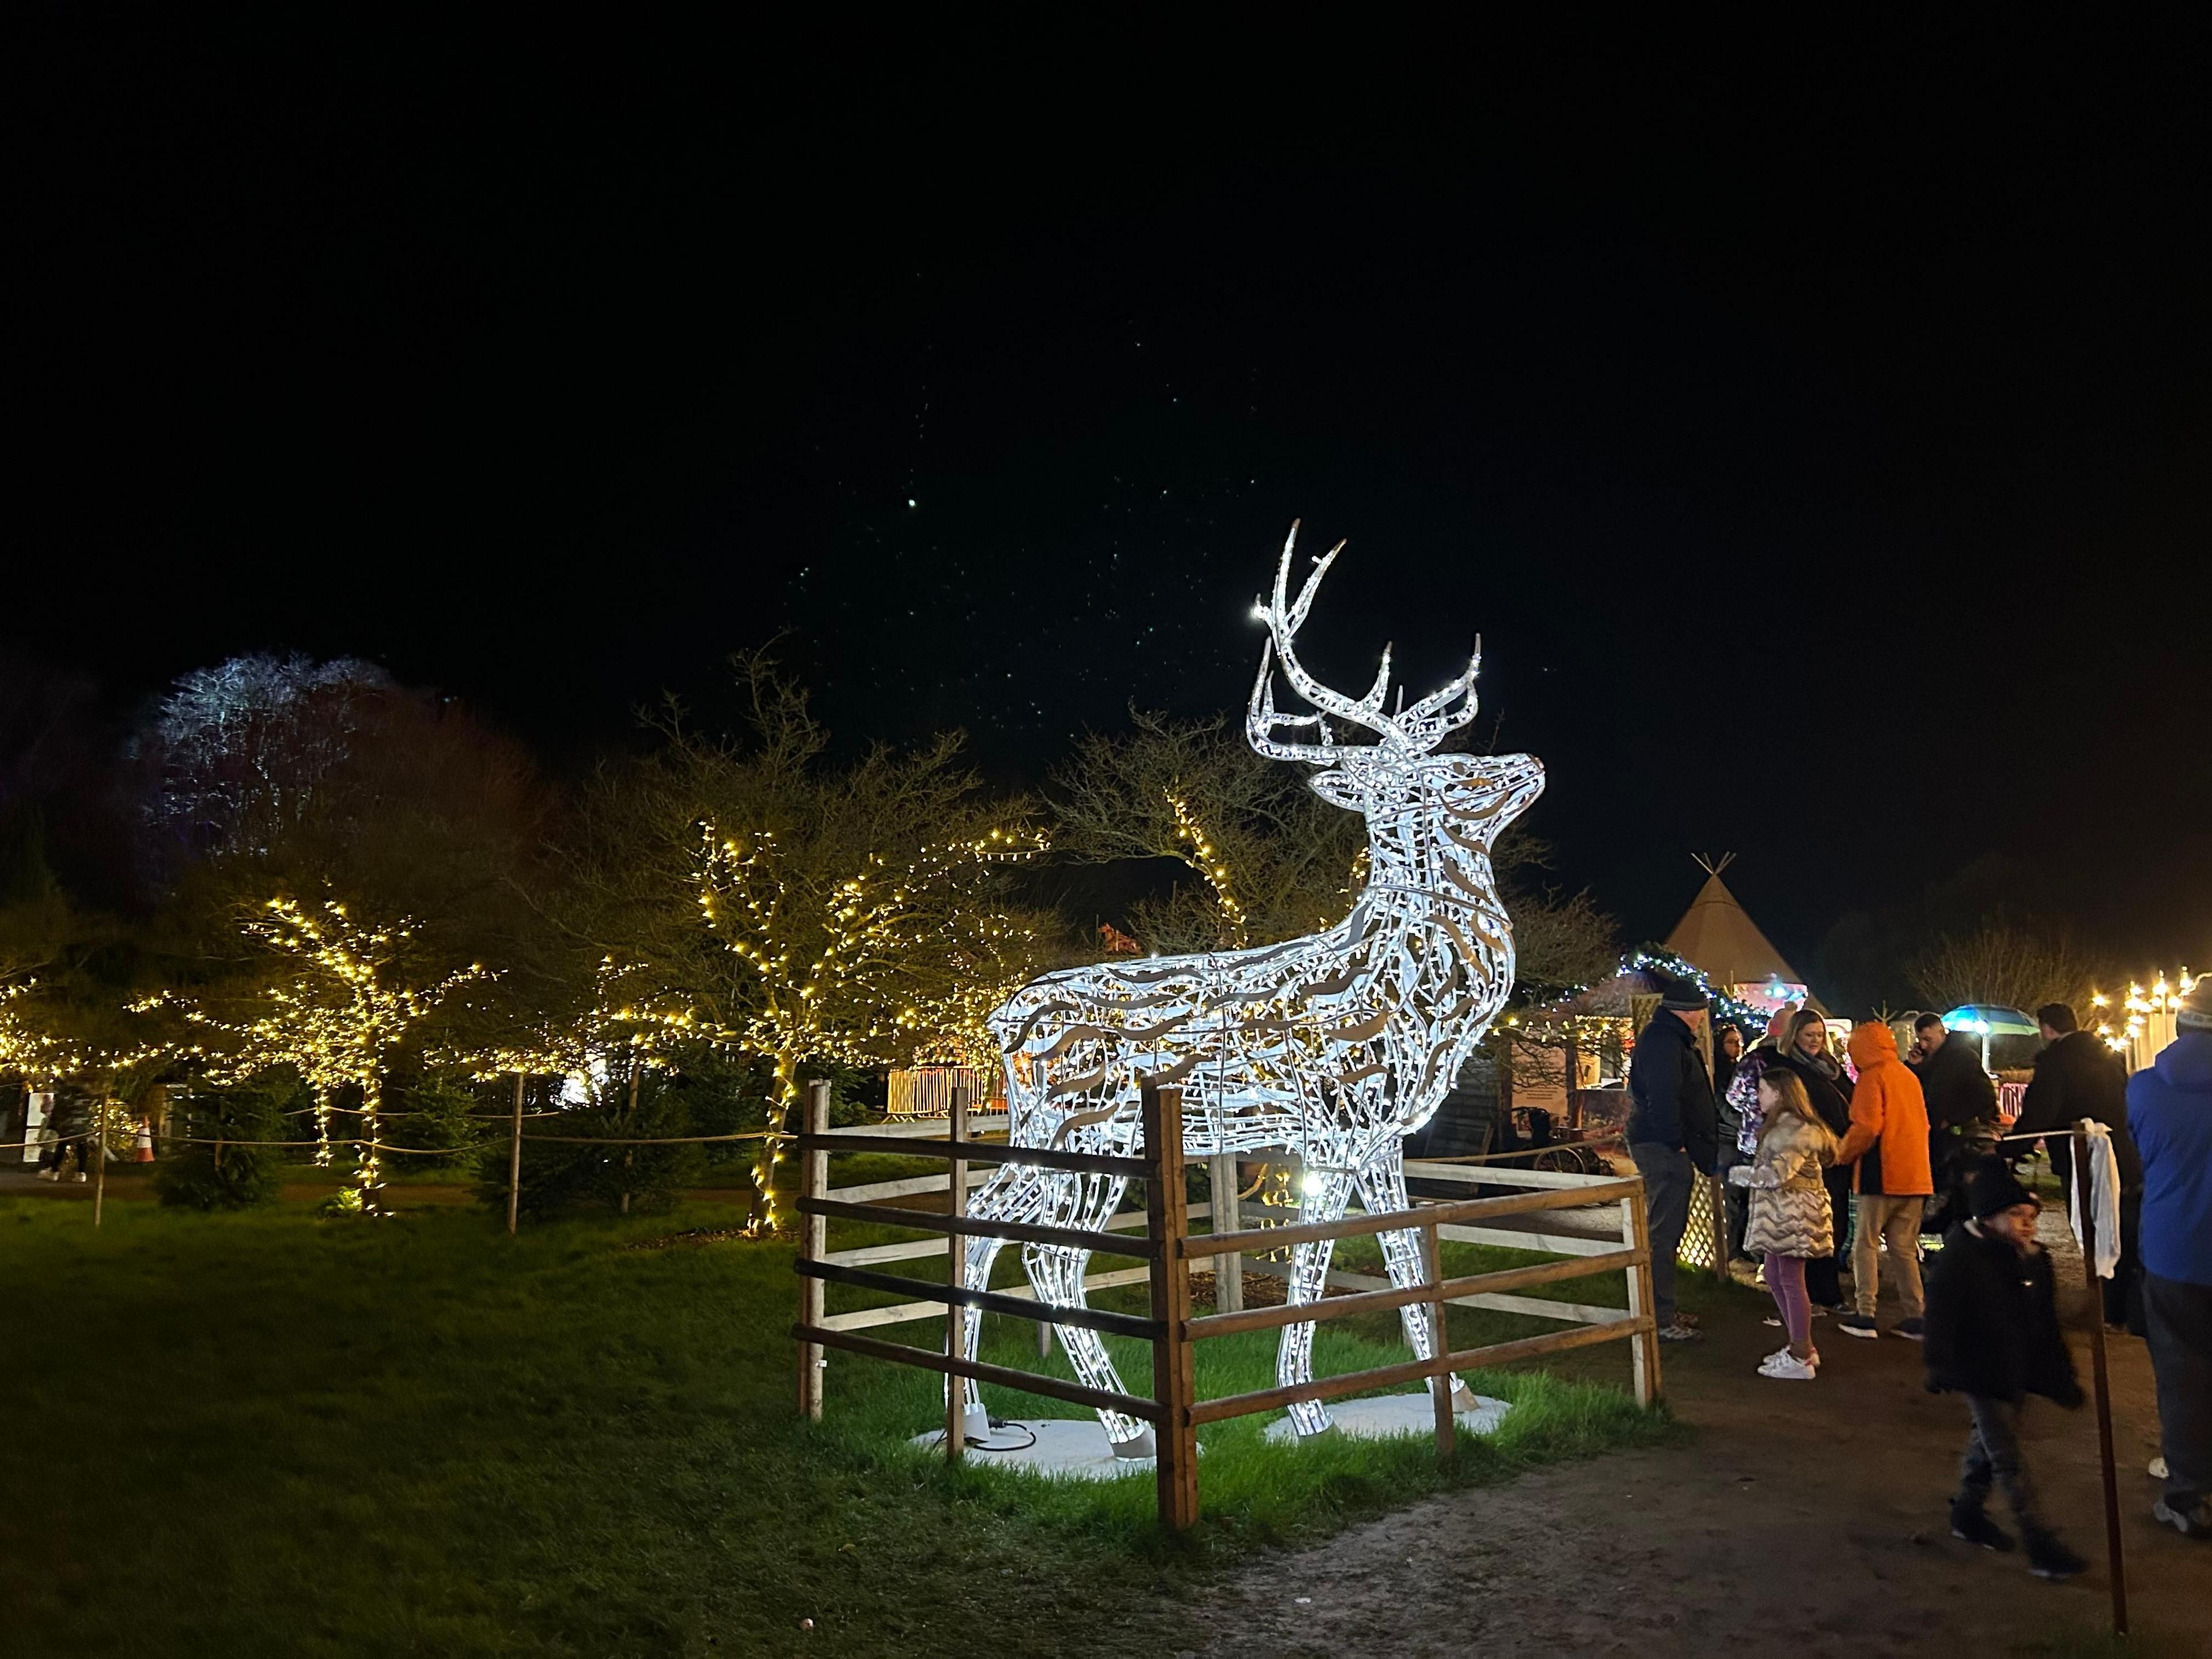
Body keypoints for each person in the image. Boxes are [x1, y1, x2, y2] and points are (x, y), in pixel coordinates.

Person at [1923, 1157, 2089, 1581]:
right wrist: (1940, 1362)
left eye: (2032, 1215)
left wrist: (2059, 1375)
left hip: (2014, 1368)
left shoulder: (2033, 1262)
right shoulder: (1964, 1257)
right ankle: (2039, 1541)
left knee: (1987, 1444)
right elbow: (1942, 1313)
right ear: (1990, 1217)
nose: (2027, 1224)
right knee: (2008, 1457)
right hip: (1980, 1369)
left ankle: (1968, 1512)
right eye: (2016, 1215)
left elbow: (2044, 1323)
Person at [2126, 979, 2212, 1539]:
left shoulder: (2143, 1089)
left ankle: (2186, 1494)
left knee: (2182, 1376)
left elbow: (2143, 1152)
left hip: (2172, 1246)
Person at [2016, 1001, 2146, 1333]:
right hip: (2123, 1155)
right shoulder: (2110, 1058)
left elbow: (2040, 1113)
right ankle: (2121, 1309)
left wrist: (2012, 1146)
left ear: (2047, 1029)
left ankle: (2103, 1308)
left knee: (2090, 1228)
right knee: (2121, 1228)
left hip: (2083, 1158)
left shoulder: (2056, 1062)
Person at [1626, 973, 1720, 1342]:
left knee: (1667, 1231)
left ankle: (1663, 1309)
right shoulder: (1666, 1043)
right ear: (1690, 1012)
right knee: (1663, 1234)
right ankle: (1660, 1316)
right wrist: (1675, 1143)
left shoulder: (1666, 1039)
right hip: (1662, 1147)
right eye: (1700, 1011)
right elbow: (1664, 1097)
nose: (1702, 1018)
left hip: (1662, 1143)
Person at [1732, 1066, 1838, 1380]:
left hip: (1793, 1215)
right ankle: (1801, 1345)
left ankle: (1800, 1353)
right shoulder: (1783, 1127)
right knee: (1778, 1276)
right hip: (1784, 1214)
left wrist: (1739, 1175)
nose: (1758, 1096)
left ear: (1779, 1094)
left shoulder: (1794, 1132)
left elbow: (1778, 1175)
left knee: (1790, 1280)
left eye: (1763, 1090)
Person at [1834, 1020, 1934, 1339]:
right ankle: (1917, 1316)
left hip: (1883, 1173)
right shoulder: (1908, 1076)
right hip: (1916, 1175)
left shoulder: (1872, 1077)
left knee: (1866, 1244)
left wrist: (1841, 1154)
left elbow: (1866, 1127)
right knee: (1904, 1249)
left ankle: (1866, 1315)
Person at [1770, 1009, 1854, 1309]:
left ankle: (1824, 1288)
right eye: (1809, 1035)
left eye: (1819, 1035)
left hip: (1839, 1154)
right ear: (1795, 1036)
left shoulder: (1831, 1068)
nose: (1815, 1041)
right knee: (1814, 1226)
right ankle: (1817, 1292)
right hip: (1811, 1155)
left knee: (1836, 1223)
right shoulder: (1790, 1069)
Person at [1912, 1012, 1999, 1232]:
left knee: (1954, 1196)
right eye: (1920, 1040)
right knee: (1944, 1195)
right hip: (1937, 1136)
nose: (1924, 1045)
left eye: (1928, 1040)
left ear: (1942, 1033)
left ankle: (1956, 1238)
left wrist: (1952, 1119)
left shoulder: (1961, 1057)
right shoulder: (1933, 1060)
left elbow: (1984, 1095)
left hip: (1956, 1138)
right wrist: (1915, 1066)